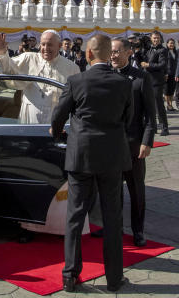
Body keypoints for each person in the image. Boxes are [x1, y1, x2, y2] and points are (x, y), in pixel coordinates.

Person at [51, 34, 132, 293]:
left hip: (81, 156)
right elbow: (128, 119)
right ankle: (114, 278)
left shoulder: (76, 81)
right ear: (110, 55)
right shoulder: (124, 83)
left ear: (87, 54)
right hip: (111, 157)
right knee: (112, 217)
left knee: (75, 217)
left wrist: (58, 134)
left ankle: (70, 275)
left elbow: (58, 118)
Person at [111, 38, 156, 247]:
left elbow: (150, 114)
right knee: (112, 190)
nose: (113, 55)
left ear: (128, 52)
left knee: (136, 190)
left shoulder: (141, 78)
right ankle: (114, 227)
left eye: (117, 51)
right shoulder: (106, 76)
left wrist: (147, 141)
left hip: (133, 145)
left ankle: (138, 230)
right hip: (110, 146)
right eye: (110, 51)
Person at [142, 31, 169, 135]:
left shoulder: (163, 50)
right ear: (151, 39)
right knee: (149, 105)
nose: (156, 40)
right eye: (154, 38)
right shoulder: (148, 49)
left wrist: (148, 65)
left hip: (157, 81)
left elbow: (162, 65)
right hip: (147, 80)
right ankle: (152, 126)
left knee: (159, 104)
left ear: (160, 39)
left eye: (157, 38)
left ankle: (164, 127)